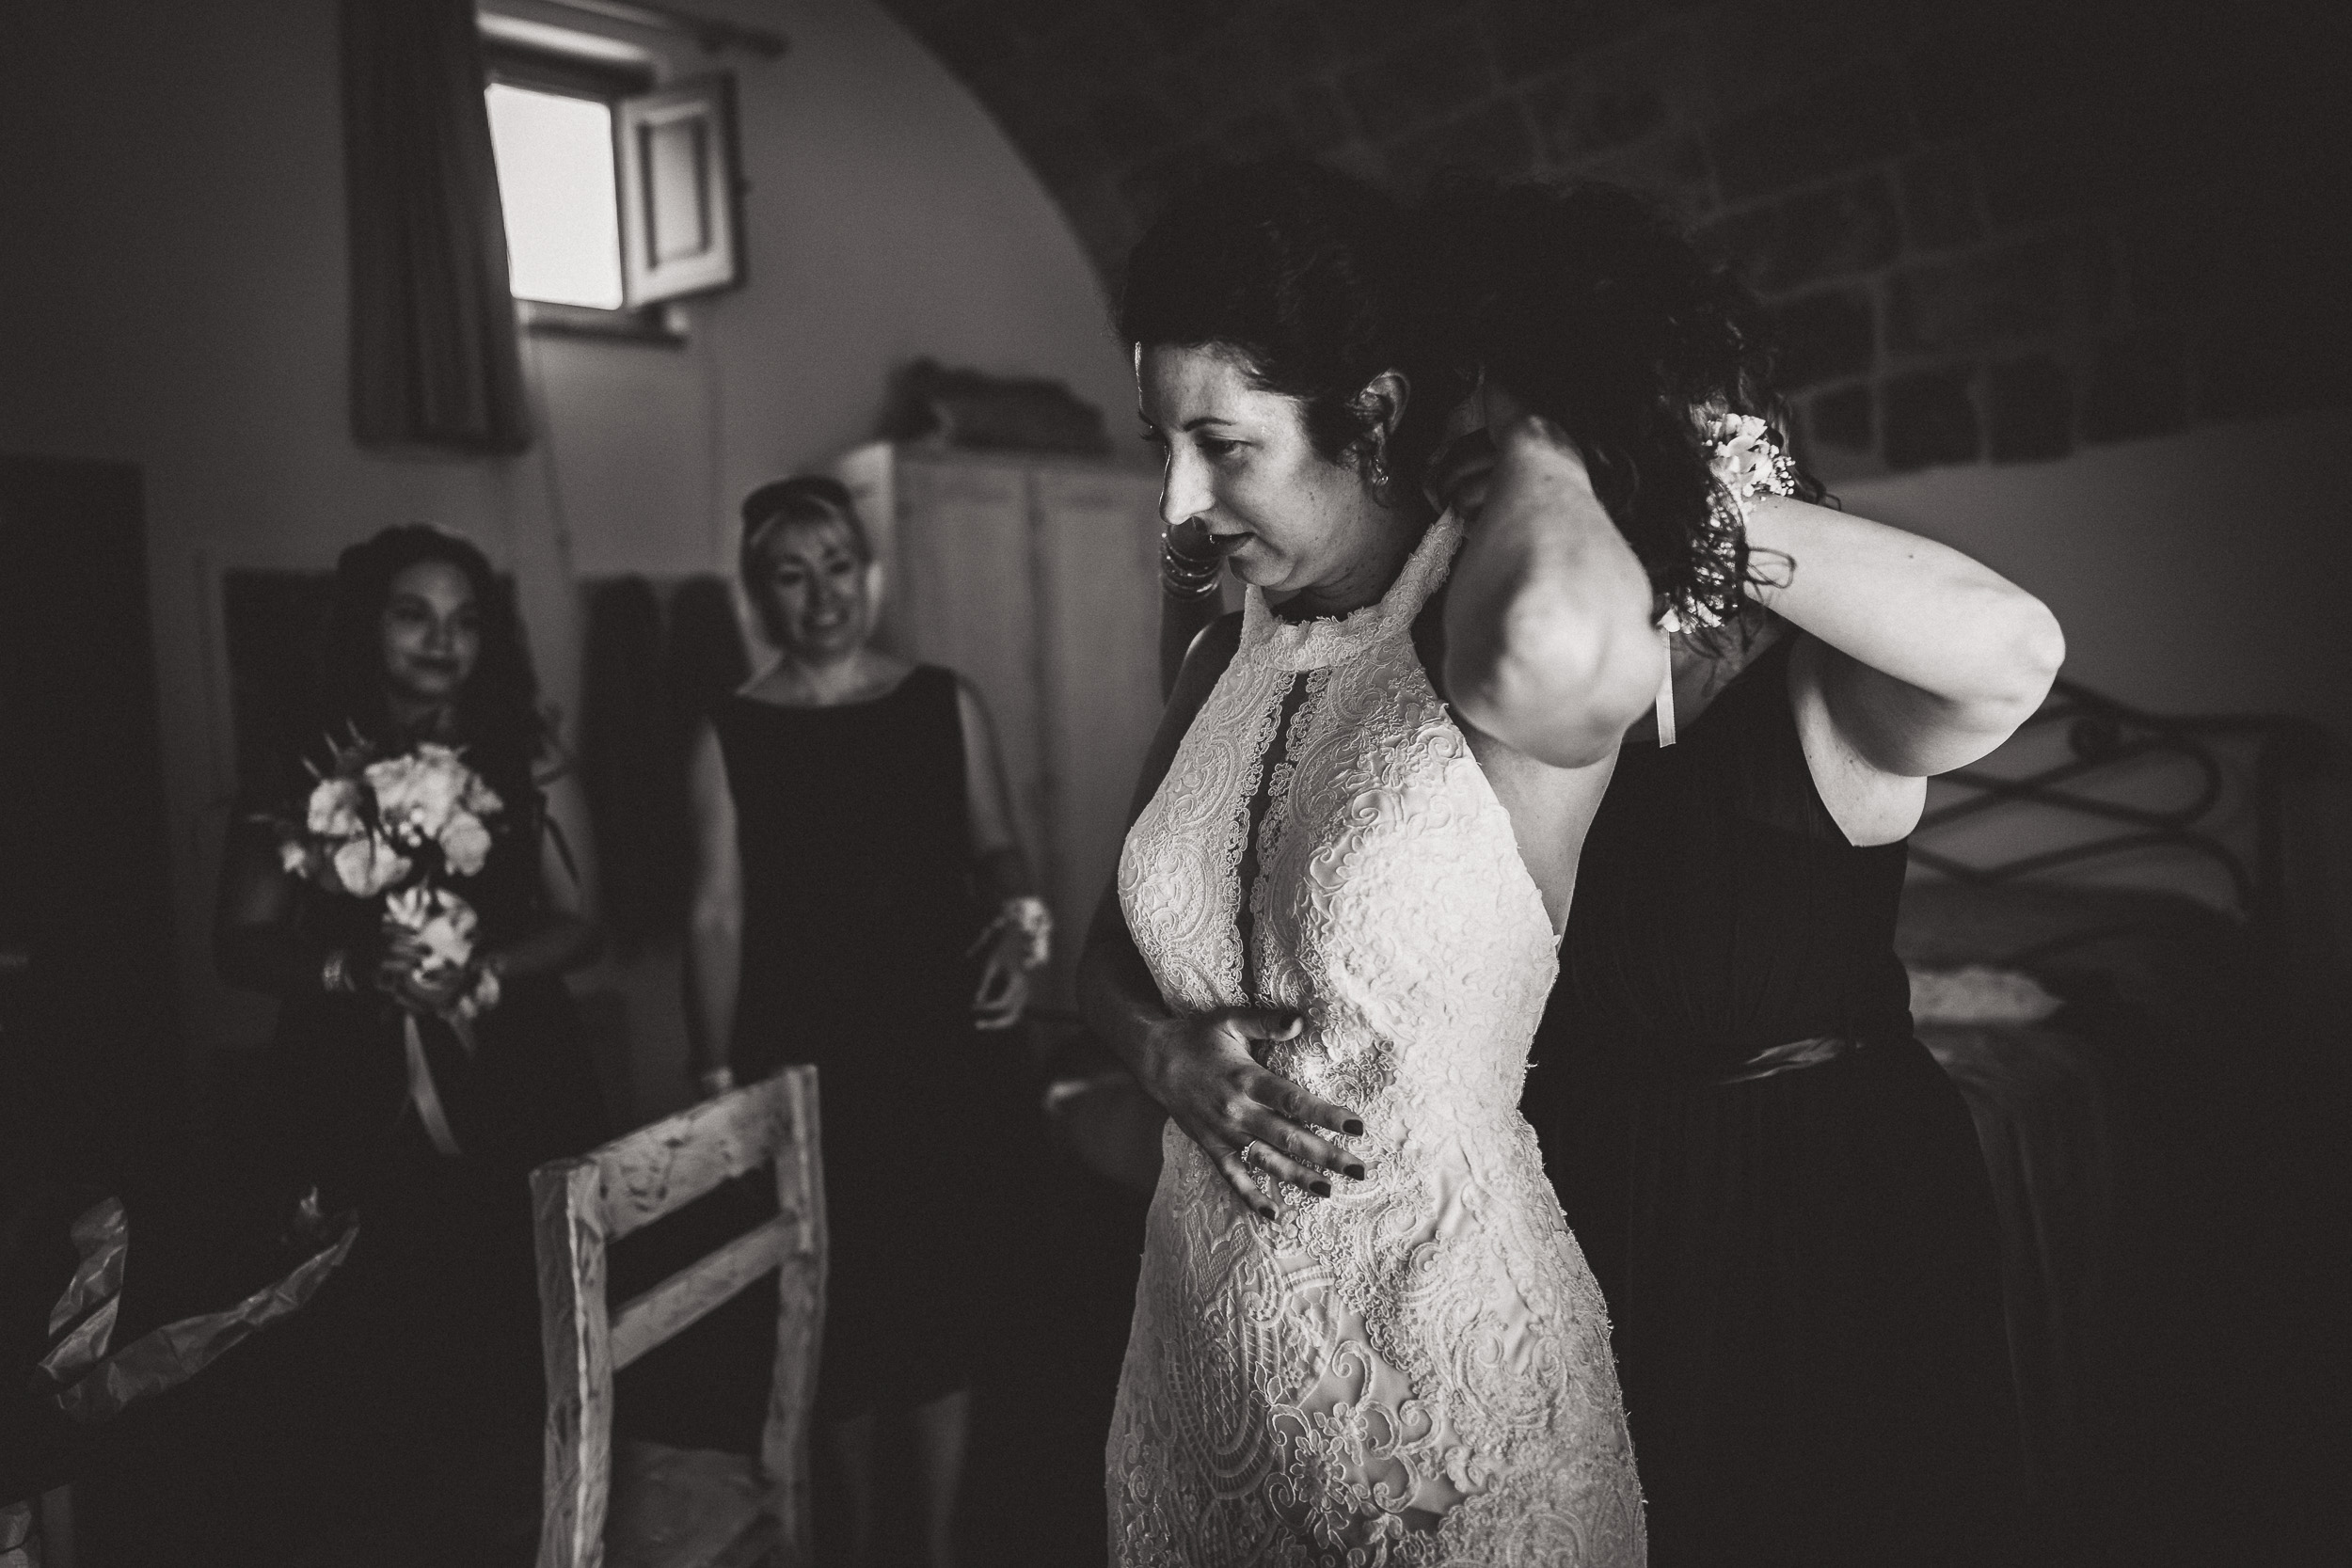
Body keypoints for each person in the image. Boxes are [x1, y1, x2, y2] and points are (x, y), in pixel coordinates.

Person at [1164, 179, 2063, 1565]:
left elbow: (2011, 650)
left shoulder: (1814, 698)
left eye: (1506, 454)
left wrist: (1647, 481)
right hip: (1564, 1197)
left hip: (1814, 1208)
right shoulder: (1452, 675)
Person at [1081, 161, 1661, 1564]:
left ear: (1376, 412)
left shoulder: (1485, 625)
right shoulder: (1219, 645)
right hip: (1194, 1376)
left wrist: (1530, 438)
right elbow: (1104, 953)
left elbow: (1580, 652)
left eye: (1224, 445)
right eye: (1162, 446)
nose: (1179, 502)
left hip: (1441, 1407)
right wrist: (1161, 1054)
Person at [213, 523, 606, 1562]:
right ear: (365, 625)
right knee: (362, 1326)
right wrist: (347, 969)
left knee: (507, 1320)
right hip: (345, 1082)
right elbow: (238, 939)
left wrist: (486, 966)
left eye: (466, 619)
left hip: (511, 1070)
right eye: (413, 613)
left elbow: (583, 918)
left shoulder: (527, 750)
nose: (443, 641)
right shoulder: (298, 758)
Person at [682, 475, 1041, 1568]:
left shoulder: (944, 701)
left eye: (837, 564)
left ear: (868, 573)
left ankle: (925, 1547)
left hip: (944, 1051)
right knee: (828, 1307)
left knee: (937, 1307)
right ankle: (848, 1540)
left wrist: (1021, 929)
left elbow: (997, 847)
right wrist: (711, 1079)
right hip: (803, 1060)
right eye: (791, 573)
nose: (822, 592)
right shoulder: (730, 731)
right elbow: (715, 909)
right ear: (760, 594)